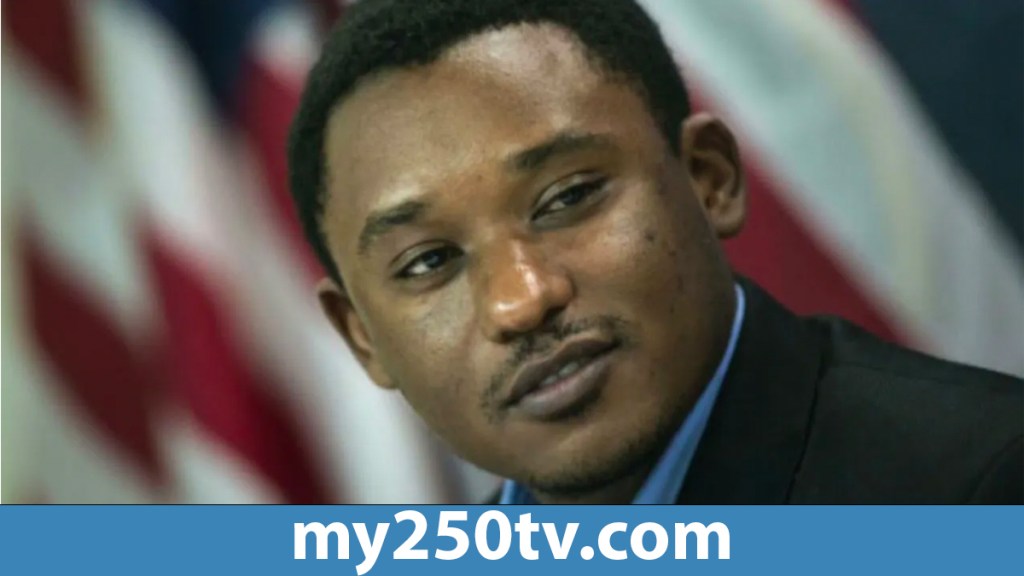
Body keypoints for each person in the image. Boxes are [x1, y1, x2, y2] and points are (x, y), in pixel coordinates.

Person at [286, 0, 1022, 504]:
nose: (521, 299)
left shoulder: (984, 489)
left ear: (709, 177)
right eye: (428, 262)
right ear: (361, 336)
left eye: (568, 197)